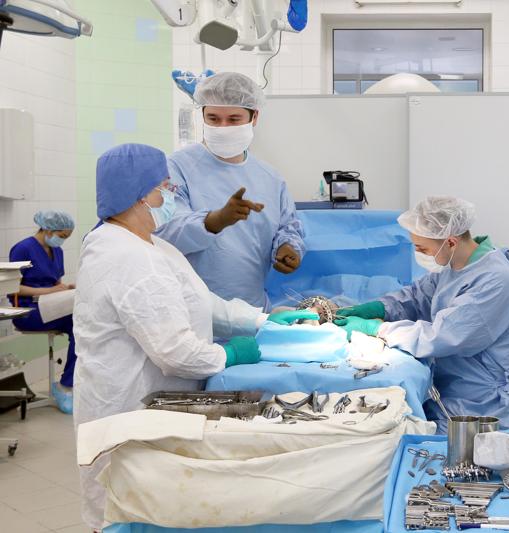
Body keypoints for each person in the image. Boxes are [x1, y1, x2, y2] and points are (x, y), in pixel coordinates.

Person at [72, 143, 315, 531]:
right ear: (139, 194)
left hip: (151, 402)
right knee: (123, 509)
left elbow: (201, 302)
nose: (170, 194)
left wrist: (261, 319)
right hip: (128, 404)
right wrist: (228, 356)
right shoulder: (129, 257)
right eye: (163, 187)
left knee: (153, 504)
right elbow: (175, 352)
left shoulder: (152, 245)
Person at [334, 196, 509, 433]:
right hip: (455, 391)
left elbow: (442, 336)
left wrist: (376, 329)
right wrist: (378, 308)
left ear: (450, 241)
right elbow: (416, 297)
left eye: (423, 248)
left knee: (473, 454)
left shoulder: (496, 280)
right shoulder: (455, 267)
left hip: (485, 405)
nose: (420, 254)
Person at [156, 72, 305, 309]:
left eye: (234, 119)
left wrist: (287, 248)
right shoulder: (176, 167)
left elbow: (287, 227)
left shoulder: (270, 178)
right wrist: (213, 221)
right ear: (202, 116)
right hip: (193, 311)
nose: (223, 127)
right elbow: (165, 233)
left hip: (253, 310)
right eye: (213, 119)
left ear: (254, 117)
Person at [9, 210, 77, 414]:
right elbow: (13, 287)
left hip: (51, 306)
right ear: (48, 229)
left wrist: (65, 288)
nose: (62, 241)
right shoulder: (23, 249)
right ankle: (65, 386)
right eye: (62, 236)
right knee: (79, 321)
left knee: (83, 325)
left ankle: (67, 384)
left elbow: (55, 282)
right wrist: (49, 291)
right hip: (26, 311)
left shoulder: (57, 251)